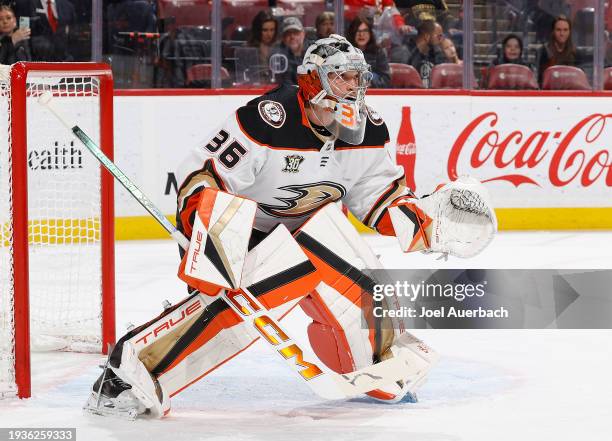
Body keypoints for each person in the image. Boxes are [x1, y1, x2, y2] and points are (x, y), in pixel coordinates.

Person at [84, 35, 496, 419]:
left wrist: (423, 221)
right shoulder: (269, 119)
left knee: (366, 289)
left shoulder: (368, 129)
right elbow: (203, 177)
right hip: (244, 239)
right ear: (311, 78)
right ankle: (129, 372)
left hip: (313, 233)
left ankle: (369, 363)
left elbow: (379, 197)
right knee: (240, 314)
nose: (353, 86)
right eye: (342, 76)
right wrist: (208, 232)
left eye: (358, 76)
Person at [390, 20, 445, 87]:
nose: (441, 40)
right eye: (439, 36)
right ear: (426, 36)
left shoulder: (434, 54)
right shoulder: (404, 53)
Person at [537, 15, 583, 83]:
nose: (562, 33)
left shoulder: (575, 53)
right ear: (553, 32)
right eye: (558, 30)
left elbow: (580, 79)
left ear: (569, 32)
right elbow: (541, 80)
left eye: (565, 30)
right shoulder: (545, 51)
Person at [346, 17, 390, 88]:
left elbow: (386, 81)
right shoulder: (344, 52)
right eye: (358, 31)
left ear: (370, 33)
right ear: (352, 33)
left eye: (365, 31)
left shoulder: (378, 52)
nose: (361, 34)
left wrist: (370, 81)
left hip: (373, 94)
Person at [272, 16, 308, 86]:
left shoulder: (313, 53)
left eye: (296, 33)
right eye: (288, 33)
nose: (292, 37)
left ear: (303, 34)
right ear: (283, 37)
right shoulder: (277, 56)